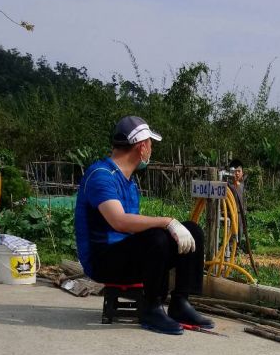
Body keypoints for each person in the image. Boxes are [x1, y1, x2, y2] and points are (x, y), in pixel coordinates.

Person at [74, 116, 213, 335]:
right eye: (151, 145)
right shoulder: (101, 176)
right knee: (156, 237)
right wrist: (167, 222)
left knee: (192, 230)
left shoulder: (129, 182)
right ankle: (151, 308)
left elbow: (133, 228)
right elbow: (119, 221)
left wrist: (175, 228)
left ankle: (180, 302)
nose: (151, 150)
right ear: (141, 147)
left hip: (126, 255)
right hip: (103, 260)